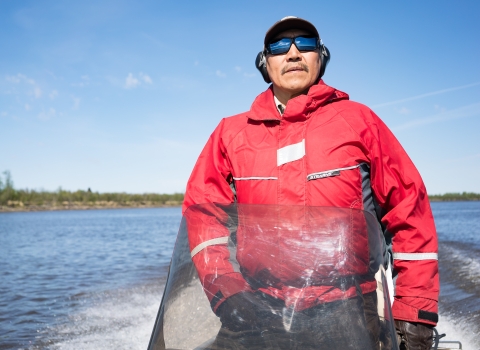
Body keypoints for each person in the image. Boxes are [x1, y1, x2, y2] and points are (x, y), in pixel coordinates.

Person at [182, 16, 439, 350]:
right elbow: (203, 214)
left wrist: (414, 312)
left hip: (348, 308)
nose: (292, 53)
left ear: (321, 57)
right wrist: (226, 290)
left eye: (305, 44)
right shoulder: (230, 133)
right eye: (279, 46)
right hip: (258, 308)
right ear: (265, 62)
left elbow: (410, 211)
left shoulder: (359, 121)